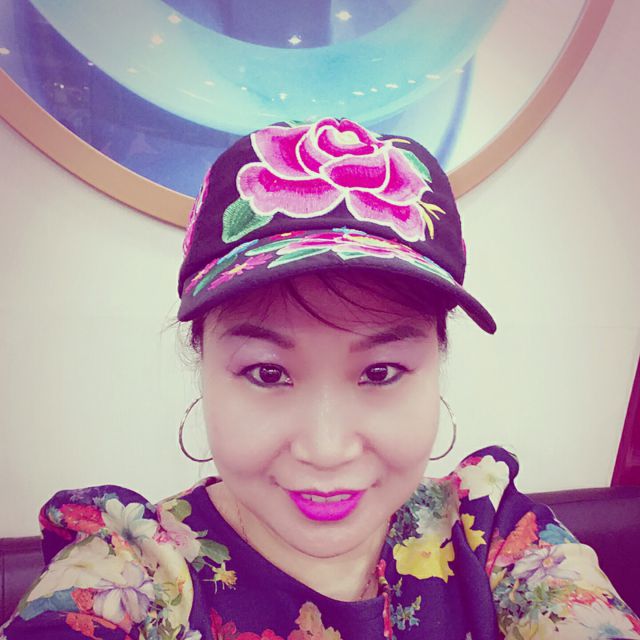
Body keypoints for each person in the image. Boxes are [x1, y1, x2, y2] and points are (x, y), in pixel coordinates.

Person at [2, 117, 638, 640]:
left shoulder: (492, 536)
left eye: (380, 372)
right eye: (268, 372)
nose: (327, 449)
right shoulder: (134, 572)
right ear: (202, 365)